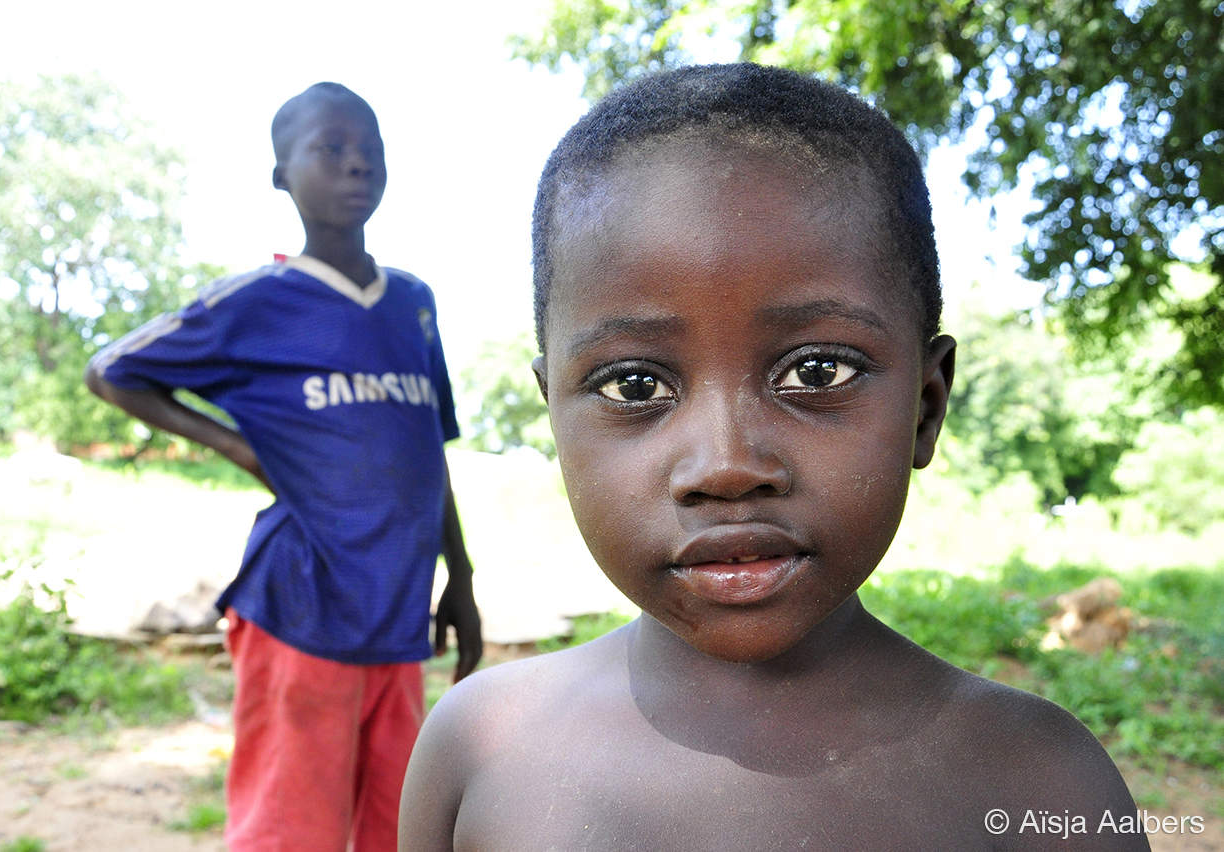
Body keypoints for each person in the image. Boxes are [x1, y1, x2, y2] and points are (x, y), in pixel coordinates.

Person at [398, 64, 1149, 851]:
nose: (725, 466)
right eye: (633, 385)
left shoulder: (1041, 784)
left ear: (925, 407)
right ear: (553, 414)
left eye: (816, 373)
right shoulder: (477, 749)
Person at [86, 82, 482, 852]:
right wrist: (239, 447)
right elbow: (111, 371)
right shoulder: (254, 303)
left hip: (397, 615)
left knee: (397, 831)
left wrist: (459, 578)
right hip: (302, 608)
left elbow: (425, 454)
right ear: (281, 175)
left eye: (370, 149)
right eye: (330, 148)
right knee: (290, 832)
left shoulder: (413, 302)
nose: (356, 163)